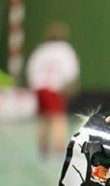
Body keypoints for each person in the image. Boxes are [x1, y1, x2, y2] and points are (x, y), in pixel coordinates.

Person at [26, 22, 80, 160]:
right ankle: (59, 151)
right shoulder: (65, 49)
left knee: (43, 119)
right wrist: (70, 87)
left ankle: (42, 150)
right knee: (58, 119)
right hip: (53, 87)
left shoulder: (41, 50)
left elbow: (31, 69)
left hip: (39, 87)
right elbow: (71, 71)